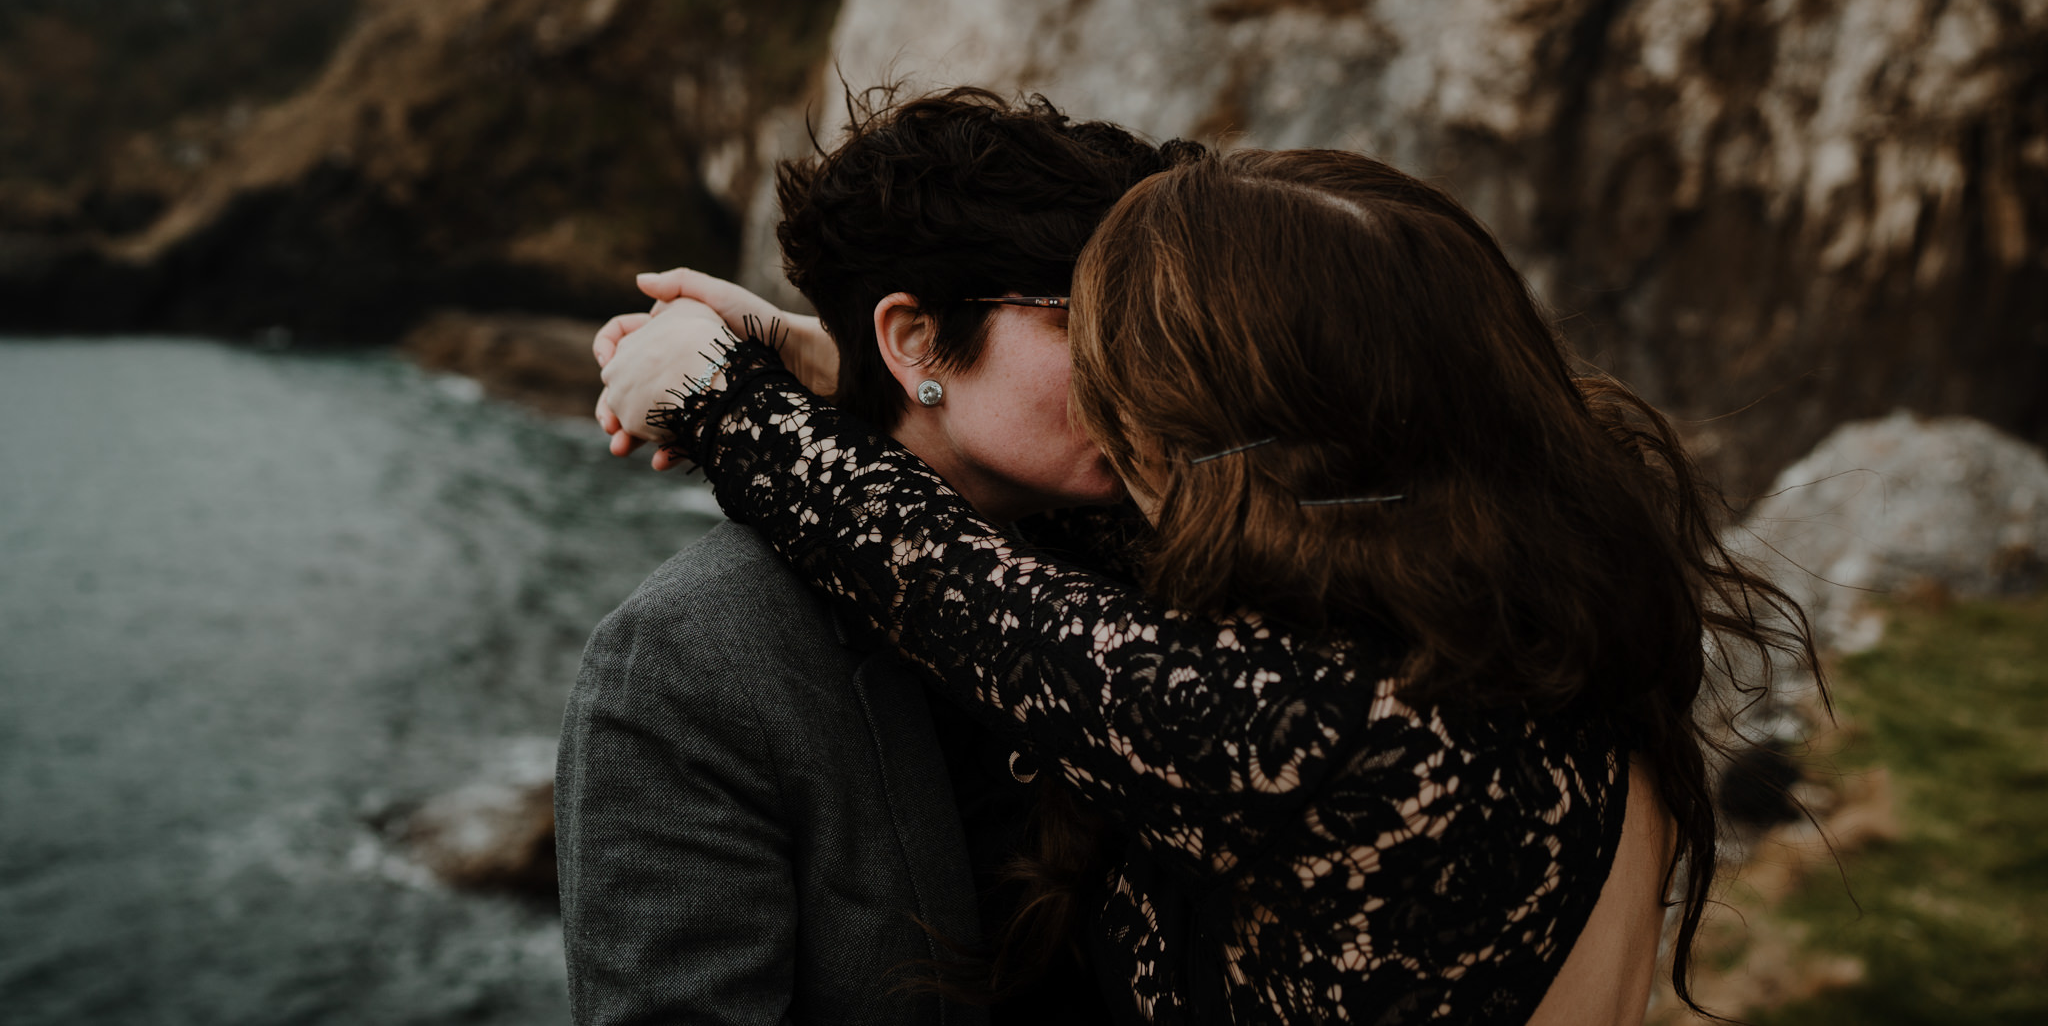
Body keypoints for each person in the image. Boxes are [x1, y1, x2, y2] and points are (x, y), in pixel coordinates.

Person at [596, 147, 1818, 1024]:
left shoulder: (1335, 737)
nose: (1118, 402)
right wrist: (863, 376)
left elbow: (969, 600)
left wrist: (727, 402)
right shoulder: (1532, 614)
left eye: (1134, 358)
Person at [558, 88, 1194, 1025]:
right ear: (912, 337)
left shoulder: (1166, 564)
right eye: (1083, 318)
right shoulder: (689, 658)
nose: (1139, 368)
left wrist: (800, 362)